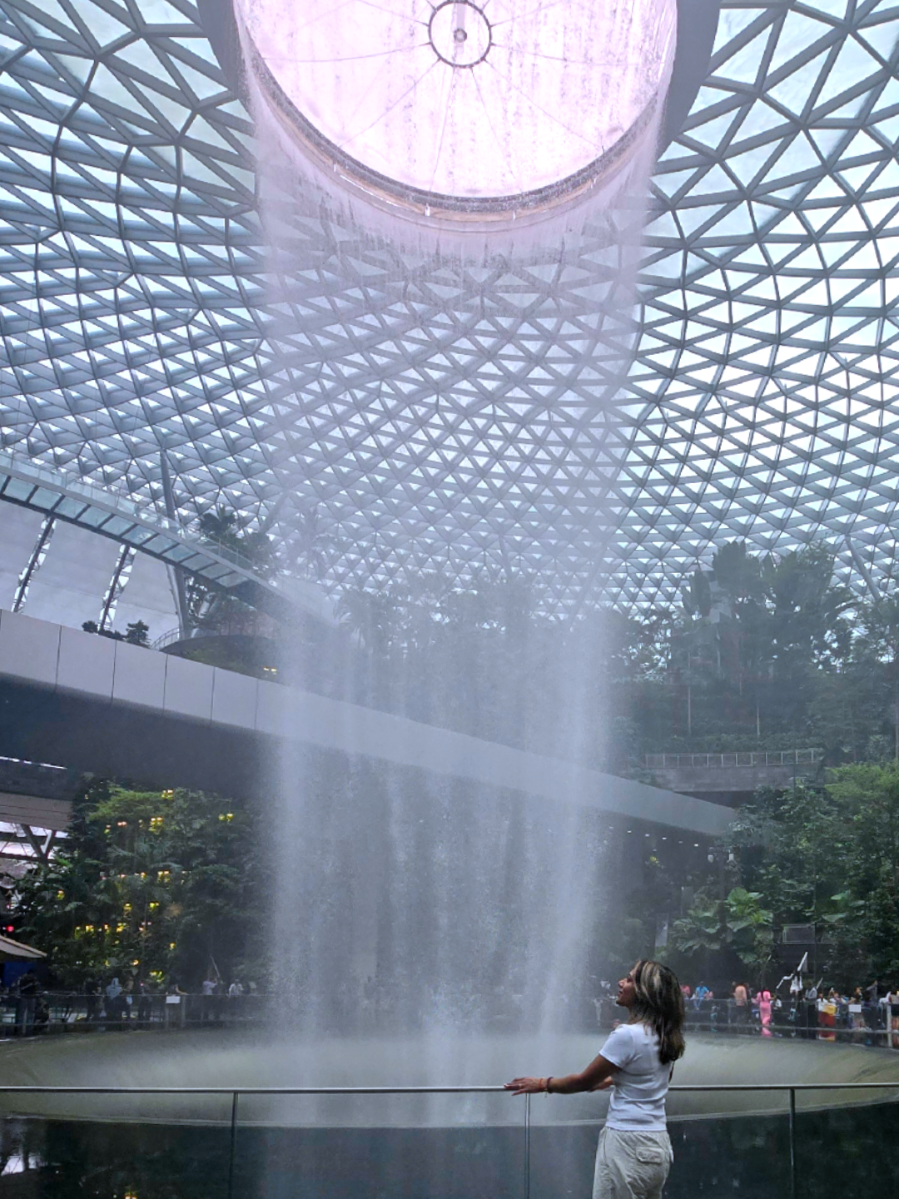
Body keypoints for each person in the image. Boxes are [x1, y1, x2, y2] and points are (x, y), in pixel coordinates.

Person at [505, 960, 685, 1199]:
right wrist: (614, 1080)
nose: (621, 983)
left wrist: (541, 1084)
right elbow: (658, 1075)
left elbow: (583, 1081)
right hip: (658, 1144)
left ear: (644, 992)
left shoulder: (627, 1035)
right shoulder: (664, 1035)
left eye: (630, 979)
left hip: (626, 1144)